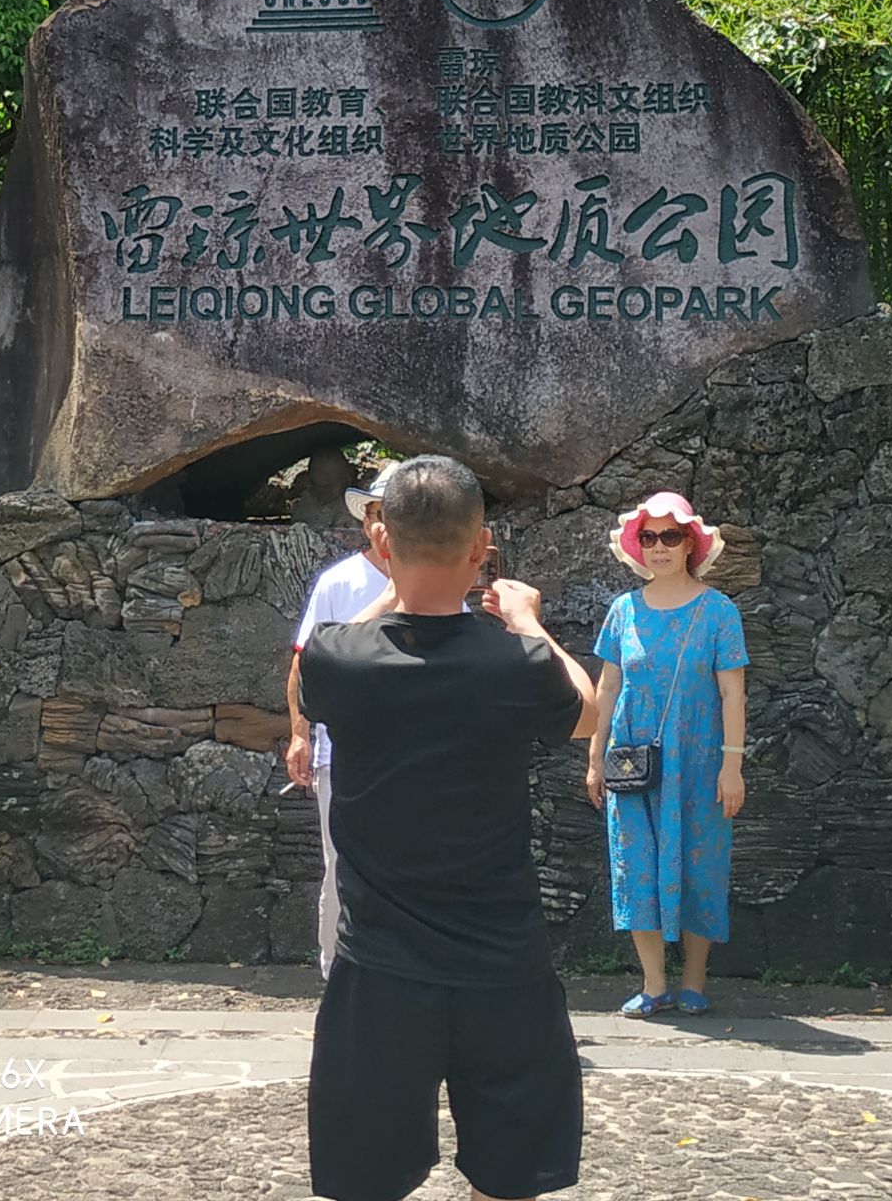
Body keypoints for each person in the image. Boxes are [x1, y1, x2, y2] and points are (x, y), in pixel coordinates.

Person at [299, 456, 597, 1201]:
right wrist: (527, 621)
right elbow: (592, 712)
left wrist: (394, 586)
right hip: (502, 964)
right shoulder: (515, 663)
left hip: (381, 972)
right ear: (481, 547)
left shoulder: (345, 661)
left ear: (383, 542)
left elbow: (309, 672)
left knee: (364, 1181)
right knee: (511, 1175)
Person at [586, 490, 749, 1018]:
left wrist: (732, 766)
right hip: (632, 762)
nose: (658, 547)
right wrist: (594, 756)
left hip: (700, 762)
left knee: (702, 863)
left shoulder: (719, 612)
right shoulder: (622, 610)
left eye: (670, 536)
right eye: (649, 537)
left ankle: (695, 981)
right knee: (636, 865)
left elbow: (732, 693)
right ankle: (654, 983)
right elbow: (607, 688)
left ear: (690, 545)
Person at [286, 461, 401, 979]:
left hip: (409, 748)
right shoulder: (339, 582)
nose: (382, 525)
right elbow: (303, 659)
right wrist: (298, 733)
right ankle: (337, 970)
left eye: (393, 513)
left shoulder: (436, 579)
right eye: (375, 513)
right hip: (342, 750)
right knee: (340, 868)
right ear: (365, 521)